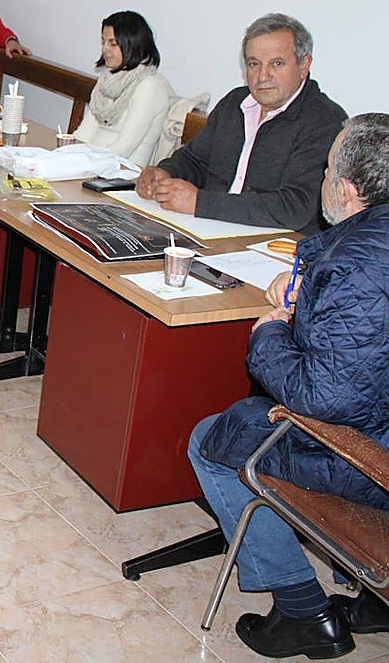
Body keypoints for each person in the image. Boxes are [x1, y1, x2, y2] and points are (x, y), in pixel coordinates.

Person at [187, 113, 389, 659]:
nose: (323, 179)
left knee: (215, 438)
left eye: (327, 170)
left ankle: (303, 612)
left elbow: (324, 398)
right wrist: (309, 283)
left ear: (345, 189)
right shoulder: (363, 251)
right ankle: (378, 604)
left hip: (371, 457)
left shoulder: (357, 266)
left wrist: (270, 333)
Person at [136, 13, 348, 233]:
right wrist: (164, 173)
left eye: (277, 63)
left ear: (304, 65)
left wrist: (200, 203)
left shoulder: (326, 121)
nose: (263, 76)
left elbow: (294, 207)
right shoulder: (235, 103)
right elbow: (195, 159)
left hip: (273, 244)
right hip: (208, 229)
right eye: (254, 64)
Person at [71, 10, 175, 166]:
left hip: (122, 171)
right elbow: (85, 133)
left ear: (133, 45)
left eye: (113, 44)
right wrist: (66, 154)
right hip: (92, 163)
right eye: (103, 42)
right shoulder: (108, 79)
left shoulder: (150, 86)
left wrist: (80, 164)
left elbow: (124, 148)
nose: (105, 49)